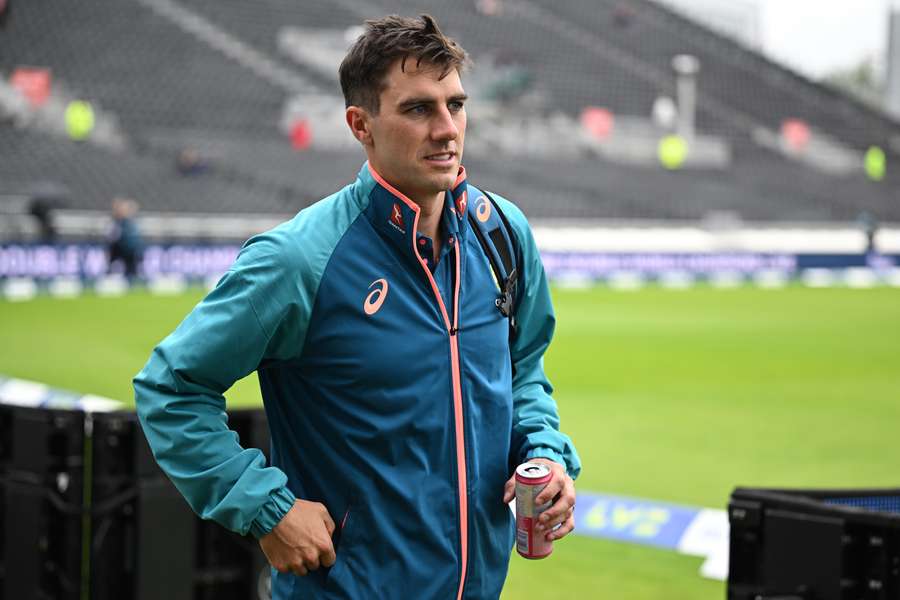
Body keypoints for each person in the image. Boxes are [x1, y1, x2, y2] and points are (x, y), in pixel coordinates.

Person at [134, 14, 580, 599]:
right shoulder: (298, 260)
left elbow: (522, 370)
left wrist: (544, 457)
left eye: (457, 104)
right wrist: (267, 509)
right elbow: (171, 386)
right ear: (360, 125)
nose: (447, 129)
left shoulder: (502, 235)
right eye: (419, 109)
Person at [107, 197, 143, 280]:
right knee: (113, 266)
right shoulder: (117, 222)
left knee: (131, 269)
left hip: (129, 249)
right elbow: (112, 236)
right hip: (118, 247)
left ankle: (132, 281)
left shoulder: (130, 222)